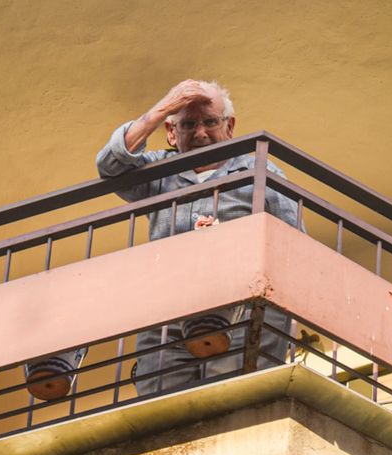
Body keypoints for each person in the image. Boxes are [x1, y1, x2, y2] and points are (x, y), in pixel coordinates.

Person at [25, 79, 304, 404]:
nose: (200, 133)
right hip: (167, 318)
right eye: (188, 124)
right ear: (172, 132)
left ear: (229, 127)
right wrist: (164, 107)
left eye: (210, 122)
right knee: (166, 406)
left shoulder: (259, 169)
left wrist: (231, 242)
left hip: (241, 313)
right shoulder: (163, 171)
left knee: (233, 403)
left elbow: (292, 245)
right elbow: (110, 167)